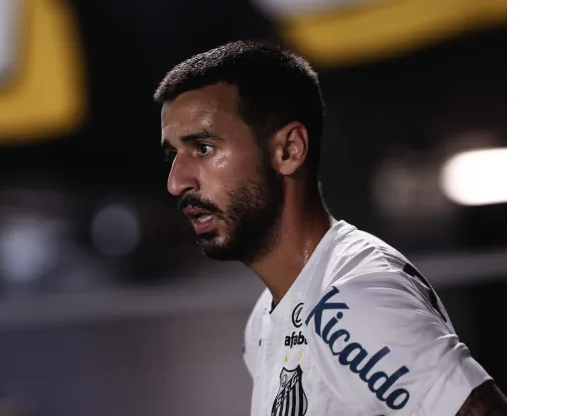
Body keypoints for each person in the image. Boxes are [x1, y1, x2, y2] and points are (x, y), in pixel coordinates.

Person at [154, 40, 506, 415]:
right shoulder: (265, 322)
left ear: (288, 150)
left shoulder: (352, 297)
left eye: (204, 148)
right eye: (173, 155)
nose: (177, 182)